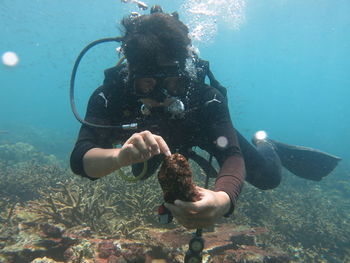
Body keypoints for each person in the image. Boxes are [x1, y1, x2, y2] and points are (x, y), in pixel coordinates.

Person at [70, 7, 341, 229]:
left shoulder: (204, 97)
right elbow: (80, 159)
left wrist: (222, 200)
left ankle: (267, 144)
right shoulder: (111, 95)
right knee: (140, 172)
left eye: (174, 83)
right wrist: (120, 157)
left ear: (186, 75)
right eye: (148, 84)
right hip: (144, 147)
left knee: (268, 178)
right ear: (130, 75)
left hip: (196, 131)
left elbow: (232, 157)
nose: (162, 96)